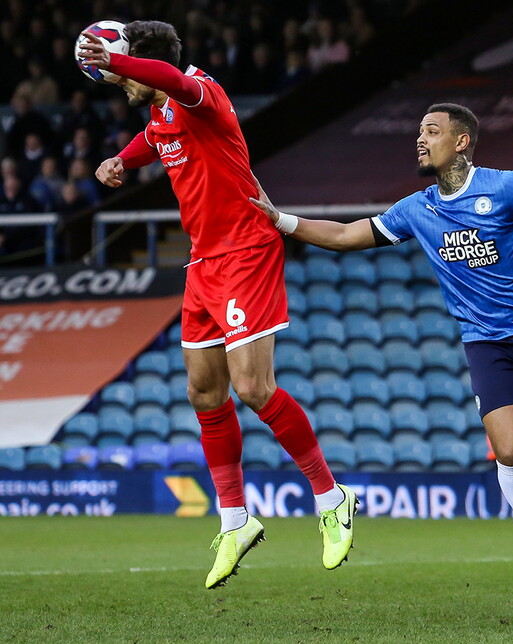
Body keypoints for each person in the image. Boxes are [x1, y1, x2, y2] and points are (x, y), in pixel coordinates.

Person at [250, 103, 513, 616]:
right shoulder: (416, 208)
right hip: (485, 343)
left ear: (461, 142)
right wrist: (282, 220)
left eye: (432, 131)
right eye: (419, 132)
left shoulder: (508, 186)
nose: (420, 140)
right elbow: (347, 236)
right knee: (511, 451)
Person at [80, 20, 357, 589]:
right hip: (204, 262)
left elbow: (164, 83)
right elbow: (155, 135)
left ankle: (332, 497)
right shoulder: (161, 113)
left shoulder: (201, 92)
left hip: (246, 250)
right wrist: (121, 163)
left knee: (253, 387)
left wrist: (115, 62)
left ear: (141, 62)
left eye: (125, 74)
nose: (121, 87)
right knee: (204, 390)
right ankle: (235, 518)